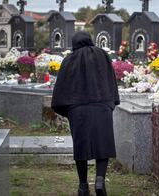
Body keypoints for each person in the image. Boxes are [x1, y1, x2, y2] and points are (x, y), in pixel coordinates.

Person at [51, 31, 120, 196]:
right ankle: (100, 180)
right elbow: (111, 78)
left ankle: (83, 186)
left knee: (80, 147)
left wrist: (68, 110)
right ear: (89, 40)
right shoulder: (102, 55)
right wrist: (110, 103)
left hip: (78, 109)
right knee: (103, 144)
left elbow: (61, 87)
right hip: (102, 105)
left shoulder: (69, 59)